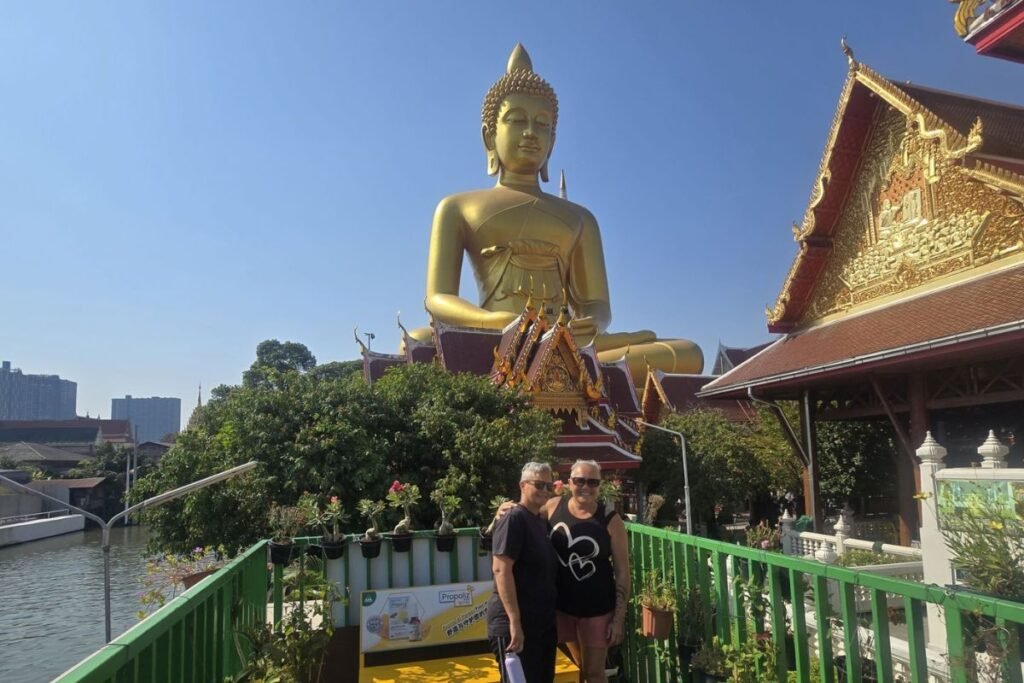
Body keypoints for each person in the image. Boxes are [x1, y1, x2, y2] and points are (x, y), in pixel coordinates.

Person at [407, 43, 703, 384]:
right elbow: (437, 299)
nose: (530, 132)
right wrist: (496, 322)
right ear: (490, 136)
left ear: (553, 140)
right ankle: (576, 372)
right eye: (517, 120)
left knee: (686, 352)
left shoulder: (580, 218)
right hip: (493, 340)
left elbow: (597, 306)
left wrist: (589, 324)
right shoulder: (456, 207)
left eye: (542, 124)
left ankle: (572, 367)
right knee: (418, 341)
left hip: (567, 339)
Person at [497, 459, 630, 683]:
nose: (585, 487)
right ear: (569, 483)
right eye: (579, 481)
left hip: (596, 609)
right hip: (560, 608)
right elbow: (523, 518)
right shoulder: (552, 506)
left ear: (599, 485)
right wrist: (499, 514)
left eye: (592, 482)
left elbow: (623, 572)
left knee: (594, 673)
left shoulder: (611, 520)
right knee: (576, 668)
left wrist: (618, 619)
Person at [487, 461, 560, 683]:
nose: (544, 491)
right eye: (539, 485)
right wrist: (514, 621)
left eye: (549, 486)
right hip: (516, 624)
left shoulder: (539, 520)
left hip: (540, 625)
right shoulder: (514, 518)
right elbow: (501, 569)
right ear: (522, 485)